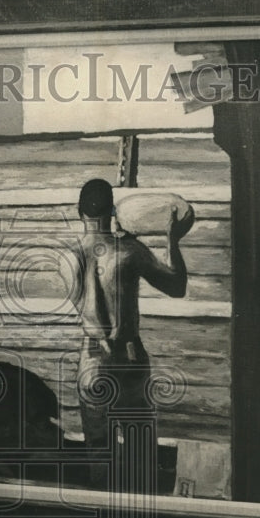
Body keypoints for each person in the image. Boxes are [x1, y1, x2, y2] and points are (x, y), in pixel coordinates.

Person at [61, 179, 188, 493]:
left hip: (90, 360)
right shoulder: (129, 250)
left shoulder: (66, 257)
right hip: (128, 357)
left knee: (98, 453)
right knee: (138, 452)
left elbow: (90, 307)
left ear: (79, 213)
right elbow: (177, 287)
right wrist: (173, 240)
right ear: (113, 211)